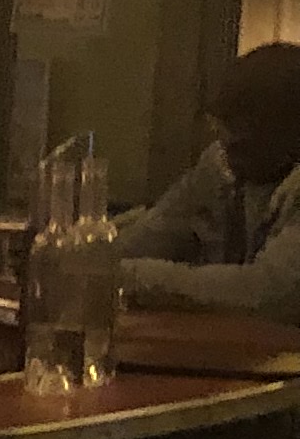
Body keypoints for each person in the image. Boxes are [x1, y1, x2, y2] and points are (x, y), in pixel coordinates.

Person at [116, 42, 300, 320]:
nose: (226, 147)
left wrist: (128, 276)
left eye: (243, 140)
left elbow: (269, 292)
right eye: (225, 131)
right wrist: (82, 260)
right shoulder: (220, 164)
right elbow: (151, 235)